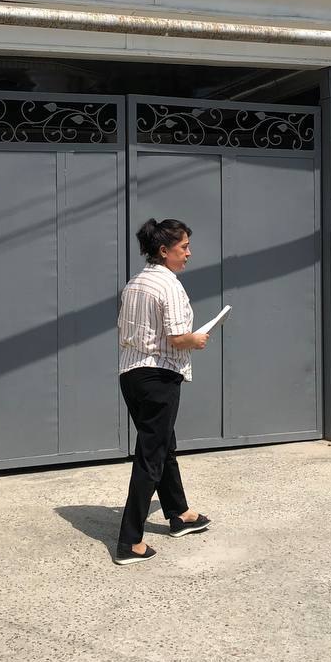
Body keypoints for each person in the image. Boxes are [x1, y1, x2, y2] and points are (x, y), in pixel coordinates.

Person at [113, 218, 212, 565]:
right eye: (184, 247)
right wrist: (197, 339)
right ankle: (129, 541)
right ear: (164, 250)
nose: (189, 253)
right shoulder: (168, 285)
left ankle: (179, 514)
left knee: (162, 444)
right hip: (159, 376)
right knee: (151, 457)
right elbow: (177, 338)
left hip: (132, 375)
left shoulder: (135, 283)